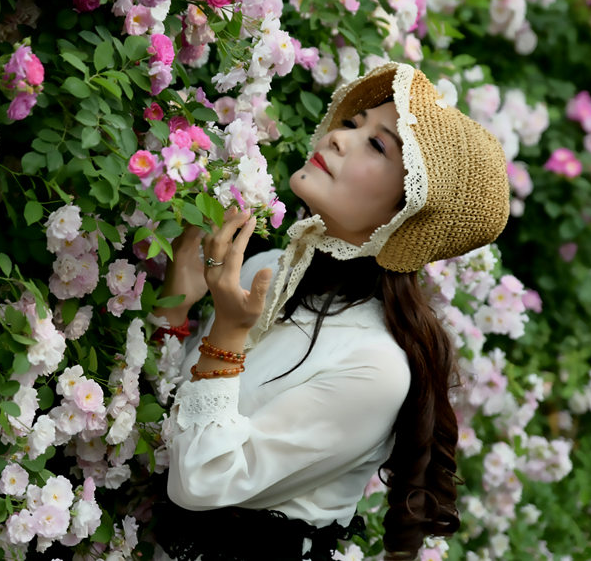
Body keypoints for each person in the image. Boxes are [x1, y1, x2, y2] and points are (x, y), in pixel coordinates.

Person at [151, 62, 511, 561]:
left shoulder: (376, 367)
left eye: (378, 145)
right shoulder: (268, 267)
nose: (341, 138)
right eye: (352, 122)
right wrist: (178, 307)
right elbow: (167, 423)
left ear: (407, 213)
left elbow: (200, 481)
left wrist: (228, 337)